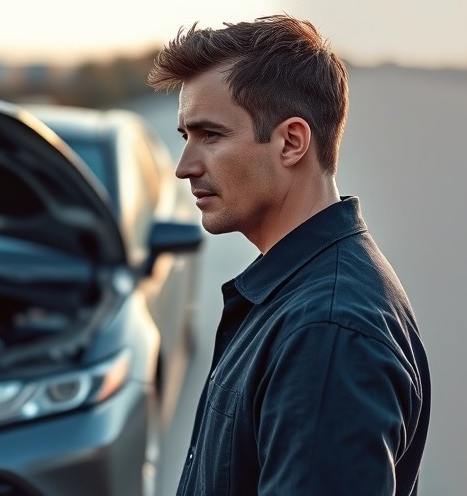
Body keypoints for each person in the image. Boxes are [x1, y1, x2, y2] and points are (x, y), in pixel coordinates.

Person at [147, 14, 430, 495]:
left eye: (210, 135)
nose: (184, 167)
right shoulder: (300, 297)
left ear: (292, 142)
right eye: (184, 137)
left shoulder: (326, 333)